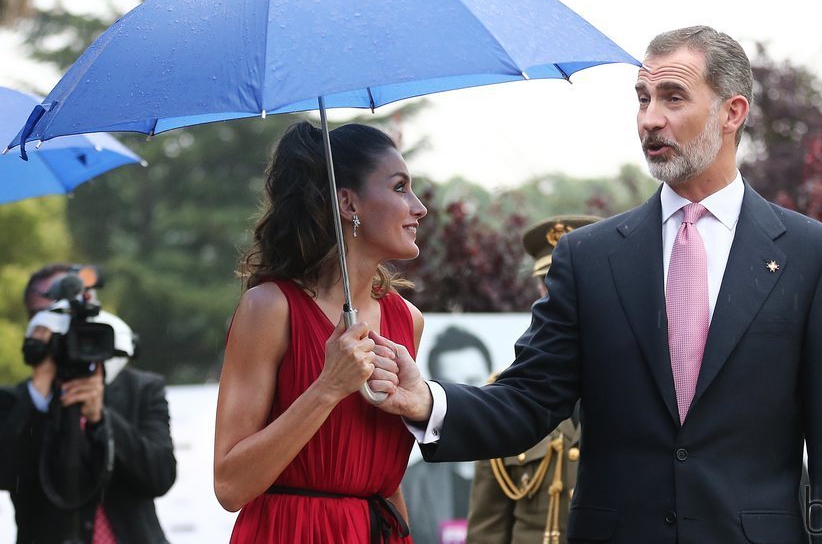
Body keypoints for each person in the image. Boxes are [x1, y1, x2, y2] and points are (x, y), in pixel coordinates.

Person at [369, 26, 822, 543]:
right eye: (642, 98)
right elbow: (530, 399)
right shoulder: (588, 258)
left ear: (732, 112)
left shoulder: (812, 256)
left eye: (673, 98)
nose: (650, 119)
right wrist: (427, 402)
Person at [213, 121, 427, 543]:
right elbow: (229, 485)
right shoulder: (270, 308)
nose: (418, 207)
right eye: (400, 187)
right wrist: (328, 386)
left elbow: (382, 476)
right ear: (348, 202)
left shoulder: (408, 320)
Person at [0, 263, 177, 544]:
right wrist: (39, 394)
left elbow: (160, 476)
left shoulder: (141, 389)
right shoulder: (15, 400)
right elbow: (7, 474)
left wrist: (101, 419)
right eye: (45, 314)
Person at [466, 215, 598, 544]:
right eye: (551, 283)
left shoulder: (641, 385)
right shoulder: (508, 394)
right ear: (540, 291)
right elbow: (488, 527)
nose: (564, 293)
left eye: (578, 280)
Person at [402, 325, 494, 544]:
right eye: (449, 386)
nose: (462, 397)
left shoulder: (524, 473)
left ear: (493, 382)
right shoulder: (410, 483)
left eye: (473, 381)